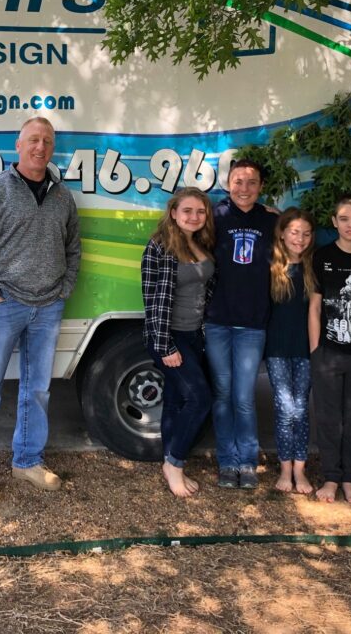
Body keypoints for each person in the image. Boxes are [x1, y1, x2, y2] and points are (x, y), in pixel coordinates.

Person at [0, 116, 81, 508]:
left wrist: (65, 286)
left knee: (38, 389)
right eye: (32, 140)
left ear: (52, 147)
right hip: (3, 306)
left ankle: (27, 461)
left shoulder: (62, 196)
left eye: (46, 141)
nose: (39, 147)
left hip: (48, 307)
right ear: (18, 144)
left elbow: (73, 247)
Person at [204, 159, 278, 489]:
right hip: (218, 321)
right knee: (222, 394)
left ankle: (248, 461)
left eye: (251, 182)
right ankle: (226, 460)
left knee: (244, 396)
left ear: (260, 186)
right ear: (227, 184)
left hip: (252, 324)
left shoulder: (270, 220)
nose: (244, 188)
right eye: (238, 181)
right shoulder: (214, 217)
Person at [141, 188, 216, 498]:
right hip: (170, 336)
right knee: (201, 398)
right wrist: (165, 345)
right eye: (187, 211)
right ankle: (175, 463)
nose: (194, 217)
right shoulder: (159, 247)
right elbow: (151, 300)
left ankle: (168, 459)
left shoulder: (201, 244)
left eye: (200, 212)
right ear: (173, 213)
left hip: (196, 335)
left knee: (175, 400)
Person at [309, 196, 351, 505]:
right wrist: (315, 350)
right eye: (344, 218)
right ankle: (331, 477)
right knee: (327, 417)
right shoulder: (321, 256)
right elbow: (314, 308)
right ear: (334, 222)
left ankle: (350, 477)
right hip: (328, 351)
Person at [265, 207, 317, 495]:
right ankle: (285, 469)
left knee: (301, 409)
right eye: (294, 232)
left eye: (306, 233)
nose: (300, 238)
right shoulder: (271, 266)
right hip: (277, 349)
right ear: (282, 234)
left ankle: (300, 469)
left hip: (306, 349)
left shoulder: (314, 266)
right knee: (285, 408)